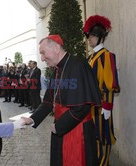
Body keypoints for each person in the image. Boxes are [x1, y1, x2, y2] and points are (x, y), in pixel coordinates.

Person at [22, 35, 101, 166]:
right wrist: (32, 119)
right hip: (63, 128)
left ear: (56, 48)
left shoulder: (78, 66)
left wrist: (59, 126)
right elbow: (48, 102)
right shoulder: (57, 70)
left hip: (77, 131)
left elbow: (82, 107)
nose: (42, 58)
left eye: (43, 53)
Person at [83, 15, 120, 166]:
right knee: (93, 136)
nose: (89, 39)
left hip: (102, 105)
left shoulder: (106, 56)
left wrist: (108, 107)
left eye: (91, 36)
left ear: (99, 37)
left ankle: (104, 163)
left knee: (103, 136)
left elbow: (109, 84)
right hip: (91, 105)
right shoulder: (91, 57)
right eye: (89, 36)